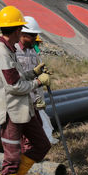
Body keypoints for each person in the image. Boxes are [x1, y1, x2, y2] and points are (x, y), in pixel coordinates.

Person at [0, 6, 51, 175]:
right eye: (21, 29)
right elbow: (14, 86)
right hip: (11, 112)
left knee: (42, 144)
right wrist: (38, 82)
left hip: (24, 108)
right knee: (12, 156)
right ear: (16, 30)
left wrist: (33, 73)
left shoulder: (10, 51)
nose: (23, 33)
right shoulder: (2, 54)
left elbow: (18, 77)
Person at [15, 16, 59, 146]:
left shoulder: (32, 51)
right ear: (23, 34)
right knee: (22, 130)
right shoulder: (13, 50)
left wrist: (42, 72)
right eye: (33, 35)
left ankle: (32, 153)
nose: (35, 39)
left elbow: (35, 71)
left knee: (37, 128)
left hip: (33, 95)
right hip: (20, 96)